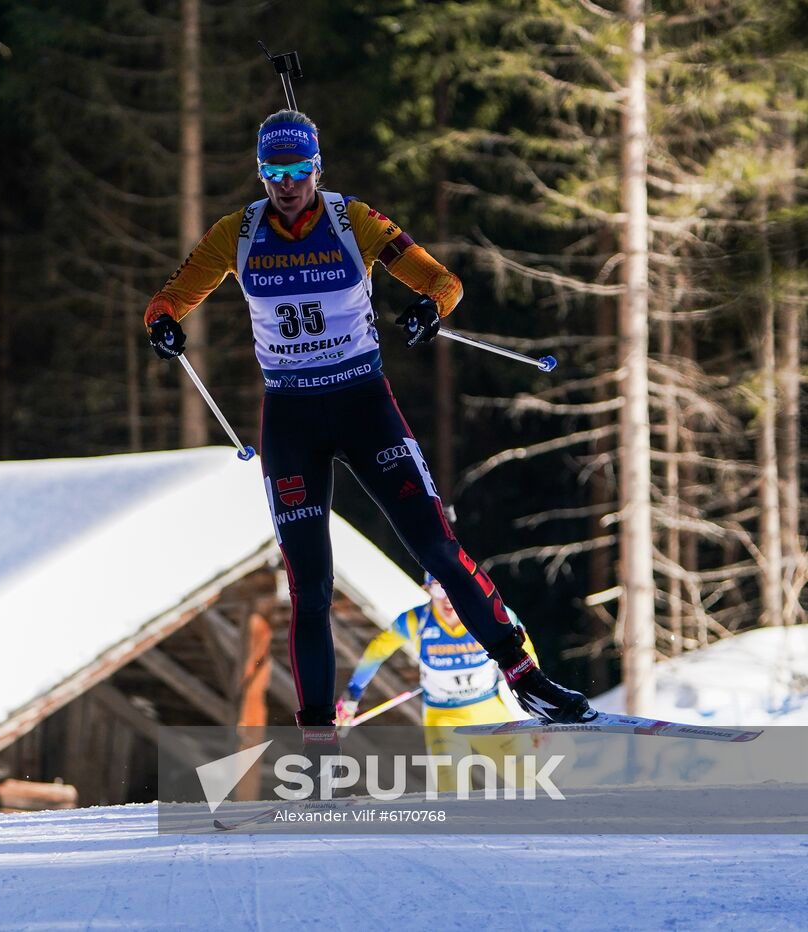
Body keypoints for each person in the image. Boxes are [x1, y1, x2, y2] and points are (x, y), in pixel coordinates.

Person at [144, 109, 593, 756]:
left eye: (299, 171)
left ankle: (527, 678)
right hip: (292, 416)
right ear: (262, 172)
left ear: (317, 169)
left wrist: (426, 308)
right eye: (275, 172)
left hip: (362, 403)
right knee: (311, 584)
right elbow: (169, 298)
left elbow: (443, 282)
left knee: (438, 548)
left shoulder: (353, 219)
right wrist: (163, 325)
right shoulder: (233, 234)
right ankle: (320, 742)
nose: (288, 184)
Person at [339, 575, 538, 792]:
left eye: (452, 588)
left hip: (489, 711)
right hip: (443, 717)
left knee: (529, 782)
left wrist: (537, 701)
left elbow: (527, 653)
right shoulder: (417, 620)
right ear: (427, 589)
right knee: (453, 790)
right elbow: (377, 652)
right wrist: (352, 694)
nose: (446, 598)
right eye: (438, 588)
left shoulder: (492, 614)